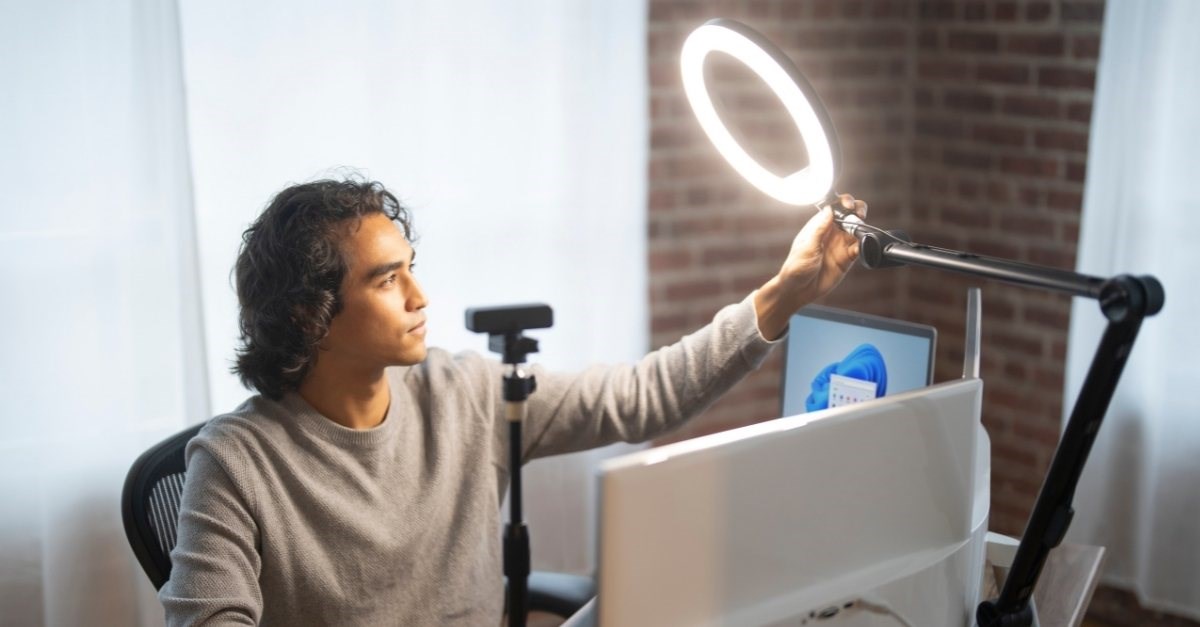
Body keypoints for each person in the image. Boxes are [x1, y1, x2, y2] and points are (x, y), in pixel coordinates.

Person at [158, 177, 865, 626]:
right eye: (386, 279)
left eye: (414, 269)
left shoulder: (460, 392)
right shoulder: (234, 463)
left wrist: (788, 291)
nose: (419, 296)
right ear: (310, 314)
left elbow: (641, 397)